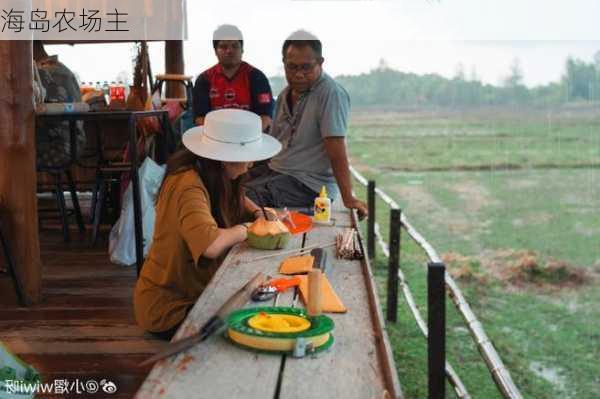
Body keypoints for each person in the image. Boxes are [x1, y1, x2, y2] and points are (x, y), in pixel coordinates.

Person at [133, 109, 281, 340]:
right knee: (254, 326)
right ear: (226, 158)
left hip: (198, 290)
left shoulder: (212, 171)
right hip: (170, 307)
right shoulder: (187, 184)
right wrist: (248, 228)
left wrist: (256, 212)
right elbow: (211, 244)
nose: (251, 163)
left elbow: (237, 198)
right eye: (248, 156)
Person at [245, 30, 368, 219]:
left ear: (320, 63)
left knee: (245, 198)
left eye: (306, 67)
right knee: (228, 186)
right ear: (284, 64)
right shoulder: (286, 94)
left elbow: (336, 150)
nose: (299, 74)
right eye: (292, 67)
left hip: (309, 185)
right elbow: (274, 143)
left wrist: (348, 198)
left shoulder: (330, 94)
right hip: (277, 171)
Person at [193, 24, 274, 132]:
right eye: (223, 46)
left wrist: (244, 136)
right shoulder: (204, 79)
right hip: (215, 138)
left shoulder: (257, 77)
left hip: (250, 137)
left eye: (235, 46)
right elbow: (200, 118)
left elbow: (265, 117)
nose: (229, 51)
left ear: (242, 49)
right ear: (215, 51)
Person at [33, 41, 86, 168]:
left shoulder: (45, 74)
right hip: (72, 144)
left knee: (12, 155)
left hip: (59, 148)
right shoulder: (58, 69)